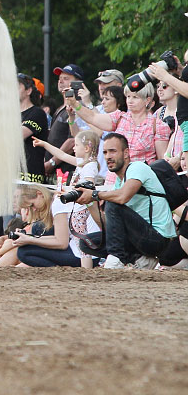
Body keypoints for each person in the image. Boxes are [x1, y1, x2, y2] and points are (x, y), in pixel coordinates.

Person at [69, 133, 177, 268]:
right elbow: (107, 226)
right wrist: (90, 202)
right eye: (105, 152)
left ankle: (116, 260)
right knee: (87, 242)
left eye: (113, 151)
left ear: (126, 153)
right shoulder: (118, 184)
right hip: (140, 238)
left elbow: (122, 197)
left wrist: (95, 194)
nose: (108, 156)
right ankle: (142, 261)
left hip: (158, 238)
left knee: (113, 203)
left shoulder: (137, 167)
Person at [73, 82, 170, 164]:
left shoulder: (158, 126)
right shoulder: (119, 117)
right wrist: (74, 103)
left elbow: (161, 162)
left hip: (141, 180)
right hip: (114, 178)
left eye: (135, 97)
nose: (130, 101)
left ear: (147, 100)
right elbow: (92, 117)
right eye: (128, 97)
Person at [45, 64, 85, 178]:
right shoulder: (61, 108)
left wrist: (51, 163)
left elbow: (73, 140)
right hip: (55, 173)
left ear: (78, 84)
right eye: (60, 78)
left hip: (67, 172)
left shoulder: (79, 107)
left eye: (66, 78)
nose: (61, 81)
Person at [18, 73, 49, 184]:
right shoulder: (11, 115)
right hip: (14, 177)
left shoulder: (37, 113)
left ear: (28, 91)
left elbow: (17, 135)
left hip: (31, 178)